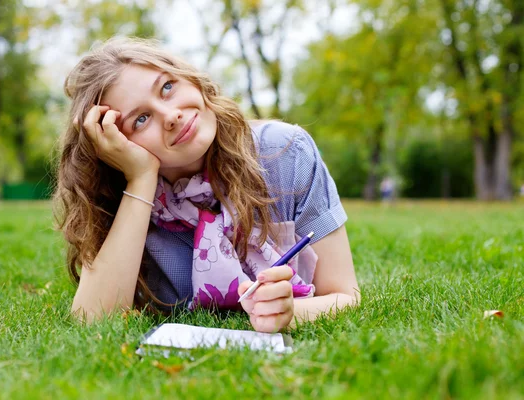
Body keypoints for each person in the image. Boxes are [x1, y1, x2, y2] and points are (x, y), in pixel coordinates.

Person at [54, 37, 360, 333]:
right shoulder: (126, 202)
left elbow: (345, 296)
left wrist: (290, 314)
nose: (171, 115)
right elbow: (92, 322)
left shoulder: (285, 154)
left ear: (191, 79)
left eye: (168, 87)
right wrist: (141, 179)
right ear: (115, 145)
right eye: (141, 120)